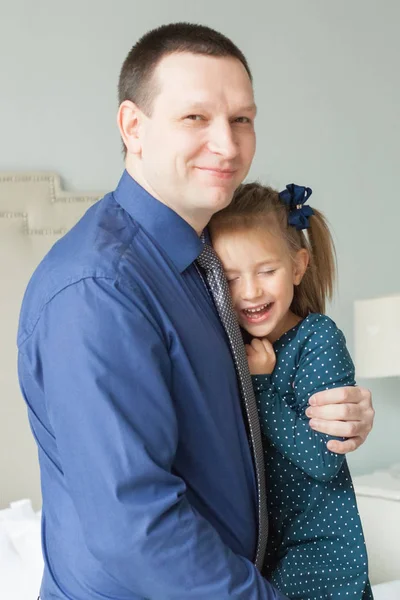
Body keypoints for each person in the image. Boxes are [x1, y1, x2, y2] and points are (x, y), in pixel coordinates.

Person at [17, 23, 374, 600]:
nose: (228, 145)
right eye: (195, 118)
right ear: (134, 127)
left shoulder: (206, 269)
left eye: (241, 119)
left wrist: (340, 411)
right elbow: (136, 526)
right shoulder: (99, 290)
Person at [209, 182, 373, 599]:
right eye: (230, 278)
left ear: (298, 267)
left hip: (319, 553)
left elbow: (323, 458)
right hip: (260, 550)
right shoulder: (224, 347)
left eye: (267, 271)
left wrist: (261, 384)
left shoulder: (316, 339)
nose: (250, 291)